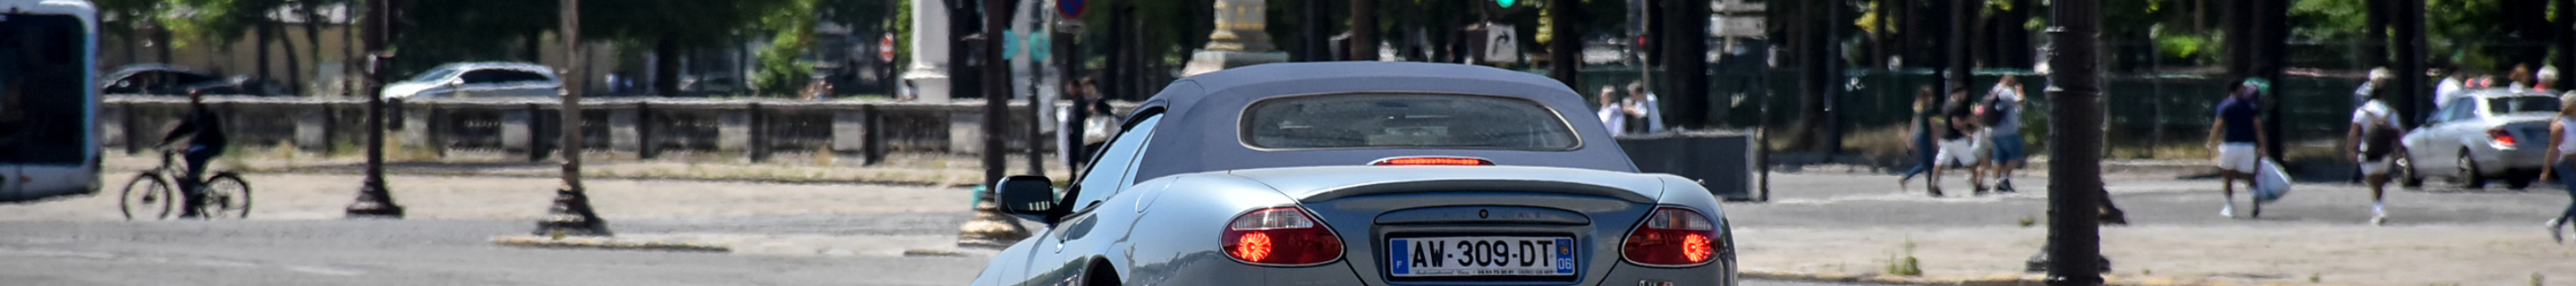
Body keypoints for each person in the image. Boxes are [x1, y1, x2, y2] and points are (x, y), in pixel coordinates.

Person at [158, 89, 229, 219]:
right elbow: (184, 128)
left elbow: (206, 133)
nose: (193, 100)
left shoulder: (207, 113)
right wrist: (166, 141)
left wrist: (190, 146)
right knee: (189, 167)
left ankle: (193, 202)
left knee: (193, 161)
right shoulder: (194, 114)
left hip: (212, 145)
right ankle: (191, 202)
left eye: (195, 98)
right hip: (201, 145)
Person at [2207, 83, 2268, 218]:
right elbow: (2258, 127)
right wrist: (2262, 145)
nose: (2245, 91)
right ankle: (2254, 195)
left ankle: (2229, 206)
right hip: (2248, 146)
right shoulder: (2250, 106)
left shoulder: (2226, 105)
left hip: (2231, 145)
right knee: (2248, 175)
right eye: (2242, 88)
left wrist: (2211, 143)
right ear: (2236, 89)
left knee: (2228, 176)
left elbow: (2218, 125)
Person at [2348, 87, 2405, 226]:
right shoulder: (2390, 112)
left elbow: (2354, 132)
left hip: (2368, 151)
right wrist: (2400, 151)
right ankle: (2378, 208)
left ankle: (2378, 209)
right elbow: (2398, 133)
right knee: (2380, 182)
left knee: (2373, 182)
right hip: (2386, 152)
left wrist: (2351, 149)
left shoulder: (2362, 112)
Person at [1930, 88, 1986, 197]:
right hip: (1956, 140)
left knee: (1939, 164)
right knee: (1972, 164)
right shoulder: (1956, 107)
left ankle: (1934, 185)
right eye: (1963, 94)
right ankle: (1976, 186)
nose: (1964, 96)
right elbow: (1956, 124)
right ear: (1958, 93)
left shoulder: (1947, 104)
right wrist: (1969, 120)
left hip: (1946, 138)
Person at [2541, 94, 2576, 243]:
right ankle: (2557, 223)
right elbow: (2552, 150)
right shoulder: (2560, 126)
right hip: (2566, 164)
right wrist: (2546, 169)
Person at [1985, 75, 2028, 193]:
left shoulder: (1993, 90)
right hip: (2008, 130)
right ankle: (2003, 180)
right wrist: (2020, 91)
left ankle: (1997, 182)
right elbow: (2020, 101)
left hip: (1994, 130)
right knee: (2016, 155)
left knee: (1998, 158)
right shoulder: (2006, 92)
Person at [1896, 87, 1939, 190]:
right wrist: (1936, 140)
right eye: (1930, 96)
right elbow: (1933, 126)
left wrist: (1910, 139)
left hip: (1918, 136)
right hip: (1926, 136)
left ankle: (1930, 186)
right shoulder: (1928, 110)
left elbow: (1913, 124)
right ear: (1926, 97)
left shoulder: (1918, 108)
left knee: (1929, 163)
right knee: (1927, 164)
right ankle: (1906, 178)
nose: (1932, 98)